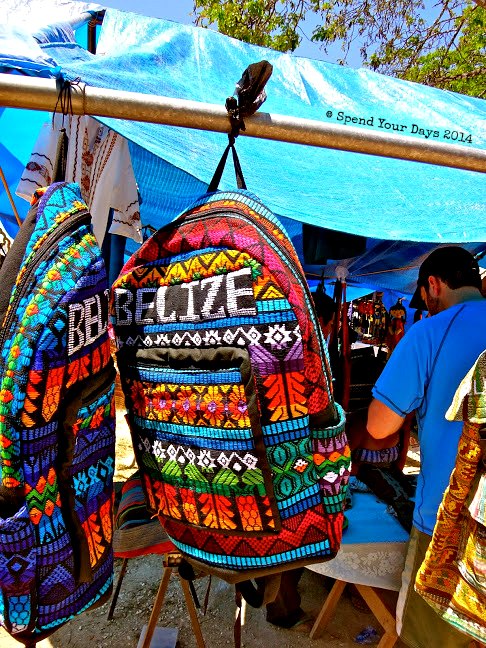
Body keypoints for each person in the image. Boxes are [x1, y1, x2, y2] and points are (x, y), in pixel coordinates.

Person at [366, 246, 486, 648]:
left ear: (432, 284)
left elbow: (379, 426)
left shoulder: (431, 331)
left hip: (448, 522)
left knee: (425, 638)